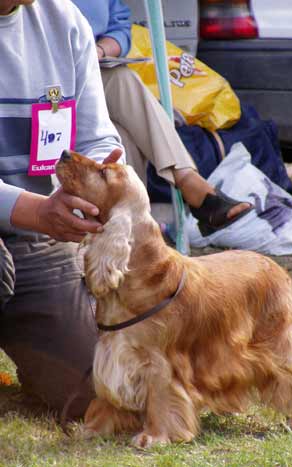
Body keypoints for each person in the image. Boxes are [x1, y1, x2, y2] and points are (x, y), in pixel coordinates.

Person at [0, 0, 125, 416]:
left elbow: (94, 137)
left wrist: (107, 179)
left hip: (39, 241)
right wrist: (36, 211)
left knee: (98, 396)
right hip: (32, 220)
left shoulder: (66, 19)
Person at [72, 0, 253, 235]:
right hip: (52, 79)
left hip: (93, 70)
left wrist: (100, 51)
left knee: (122, 131)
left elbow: (120, 28)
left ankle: (130, 233)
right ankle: (188, 182)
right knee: (121, 78)